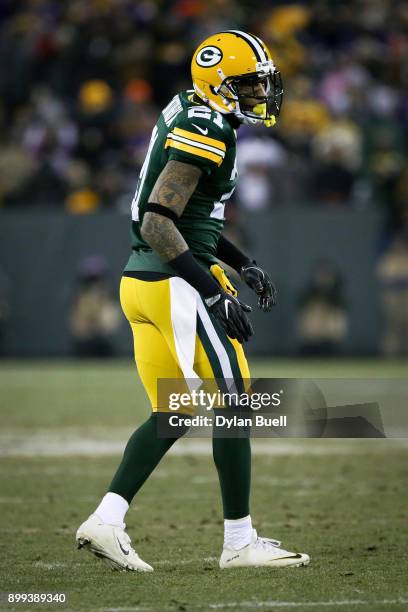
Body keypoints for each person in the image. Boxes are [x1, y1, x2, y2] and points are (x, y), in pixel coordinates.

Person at [76, 30, 309, 571]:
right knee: (236, 403)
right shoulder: (207, 126)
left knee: (174, 411)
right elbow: (160, 220)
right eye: (248, 85)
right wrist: (212, 289)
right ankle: (239, 542)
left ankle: (107, 520)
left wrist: (241, 263)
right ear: (219, 84)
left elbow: (191, 217)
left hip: (142, 281)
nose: (259, 95)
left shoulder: (191, 109)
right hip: (177, 281)